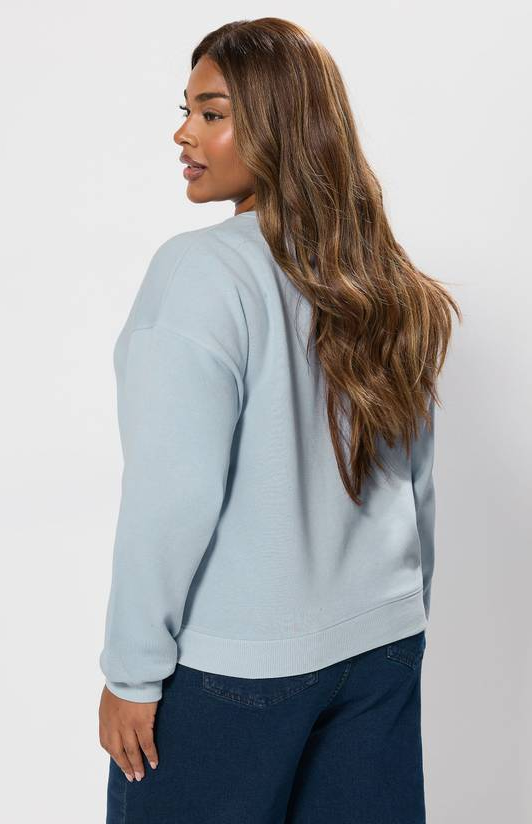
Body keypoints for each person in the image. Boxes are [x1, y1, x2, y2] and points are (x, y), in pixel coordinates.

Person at [98, 17, 461, 824]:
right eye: (187, 110)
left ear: (280, 124)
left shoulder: (201, 272)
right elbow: (415, 482)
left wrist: (131, 673)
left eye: (212, 113)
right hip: (380, 648)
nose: (184, 133)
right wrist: (401, 614)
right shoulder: (378, 275)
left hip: (239, 672)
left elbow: (171, 495)